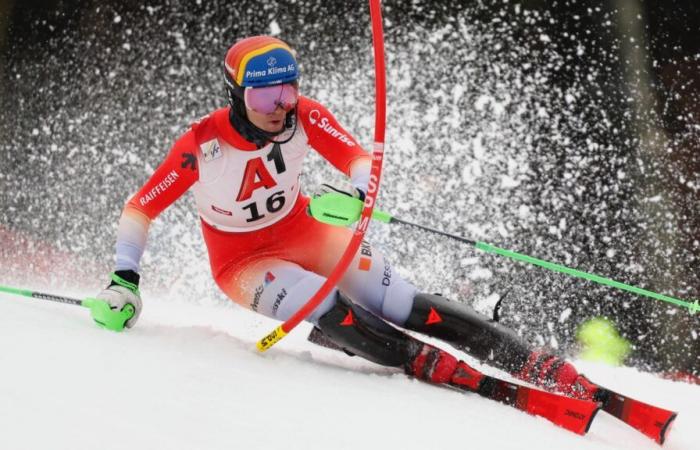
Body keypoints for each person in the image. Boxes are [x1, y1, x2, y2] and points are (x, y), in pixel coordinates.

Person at [97, 35, 601, 399]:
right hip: (242, 261)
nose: (278, 107)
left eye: (286, 92)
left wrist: (363, 190)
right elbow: (141, 208)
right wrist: (126, 278)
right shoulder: (200, 145)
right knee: (323, 302)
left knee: (400, 300)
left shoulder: (304, 116)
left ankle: (520, 354)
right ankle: (415, 359)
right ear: (236, 96)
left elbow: (358, 158)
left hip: (304, 230)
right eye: (262, 97)